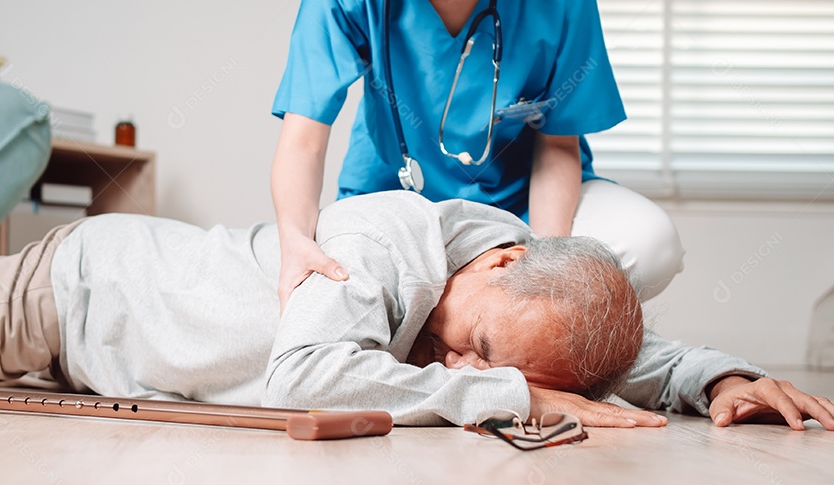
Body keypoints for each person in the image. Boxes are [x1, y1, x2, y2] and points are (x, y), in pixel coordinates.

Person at [0, 192, 833, 431]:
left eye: (479, 361)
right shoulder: (382, 246)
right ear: (498, 258)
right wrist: (505, 388)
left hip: (100, 367)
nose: (451, 359)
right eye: (473, 343)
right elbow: (302, 377)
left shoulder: (517, 293)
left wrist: (717, 378)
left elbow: (601, 358)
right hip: (64, 298)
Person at [271, 0, 684, 308]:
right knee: (329, 281)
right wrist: (293, 239)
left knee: (649, 242)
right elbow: (303, 138)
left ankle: (467, 322)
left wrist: (543, 265)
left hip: (522, 207)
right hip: (398, 199)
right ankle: (466, 323)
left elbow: (557, 145)